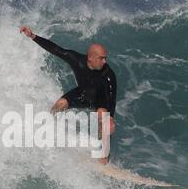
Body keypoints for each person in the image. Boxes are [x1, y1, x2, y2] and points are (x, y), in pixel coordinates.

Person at [20, 26, 116, 162]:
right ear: (91, 58)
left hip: (100, 101)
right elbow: (56, 50)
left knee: (105, 120)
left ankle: (103, 159)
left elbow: (112, 97)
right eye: (101, 58)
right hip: (81, 94)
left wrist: (110, 116)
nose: (105, 61)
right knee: (59, 105)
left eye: (105, 58)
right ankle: (45, 132)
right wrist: (33, 36)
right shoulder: (77, 60)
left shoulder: (108, 74)